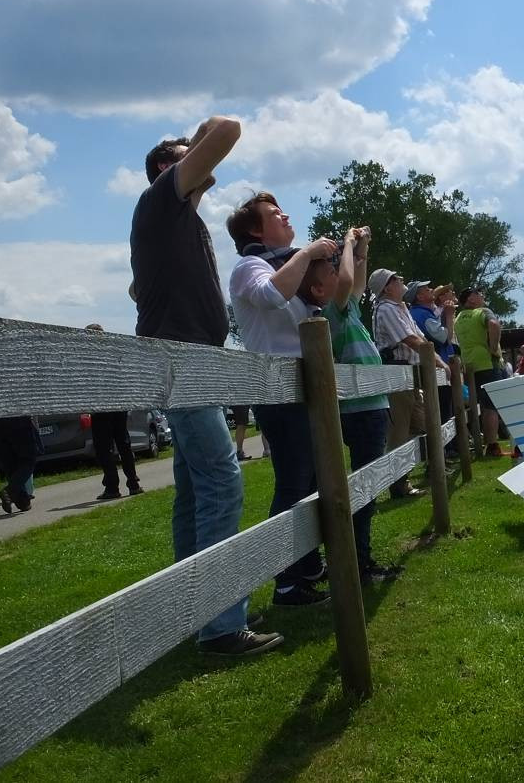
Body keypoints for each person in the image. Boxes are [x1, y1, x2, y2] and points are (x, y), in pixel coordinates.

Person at [131, 116, 282, 656]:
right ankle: (220, 626)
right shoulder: (160, 201)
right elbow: (227, 128)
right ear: (167, 170)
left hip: (189, 359)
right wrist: (195, 146)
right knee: (222, 484)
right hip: (183, 360)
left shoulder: (178, 222)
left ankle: (186, 612)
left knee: (196, 491)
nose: (201, 161)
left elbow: (134, 285)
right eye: (183, 155)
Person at [228, 191, 337, 608]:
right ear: (255, 230)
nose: (286, 216)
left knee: (311, 480)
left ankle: (306, 569)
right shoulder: (249, 266)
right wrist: (308, 253)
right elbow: (272, 296)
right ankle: (287, 584)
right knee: (294, 482)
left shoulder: (285, 263)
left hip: (301, 385)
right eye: (275, 214)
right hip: (276, 388)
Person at [297, 228, 402, 584]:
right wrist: (347, 241)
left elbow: (353, 280)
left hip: (368, 407)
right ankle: (359, 564)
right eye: (328, 271)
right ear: (318, 289)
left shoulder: (346, 310)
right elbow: (346, 282)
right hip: (363, 410)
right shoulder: (331, 309)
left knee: (364, 487)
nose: (337, 272)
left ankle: (359, 560)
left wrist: (362, 248)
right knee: (366, 487)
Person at [369, 267, 439, 494]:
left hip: (409, 372)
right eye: (396, 278)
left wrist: (437, 360)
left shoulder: (400, 308)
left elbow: (420, 338)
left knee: (421, 424)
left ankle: (421, 471)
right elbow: (410, 339)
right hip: (396, 372)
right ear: (387, 287)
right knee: (399, 430)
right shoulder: (387, 309)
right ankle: (399, 484)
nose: (401, 280)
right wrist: (441, 363)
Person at [84, 324, 144, 500]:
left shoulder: (90, 360)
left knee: (104, 448)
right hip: (119, 404)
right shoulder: (115, 354)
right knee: (124, 444)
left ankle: (112, 486)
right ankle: (133, 483)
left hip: (102, 406)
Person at [407, 278, 459, 459]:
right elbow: (445, 337)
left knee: (444, 409)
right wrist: (450, 315)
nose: (431, 290)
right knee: (443, 411)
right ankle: (445, 451)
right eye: (426, 289)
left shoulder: (422, 313)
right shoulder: (422, 315)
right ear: (419, 296)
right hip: (437, 368)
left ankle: (445, 451)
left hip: (437, 367)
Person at [454, 287, 507, 456]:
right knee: (491, 407)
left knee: (479, 406)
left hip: (469, 366)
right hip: (488, 364)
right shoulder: (483, 311)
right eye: (477, 293)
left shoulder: (458, 318)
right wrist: (493, 348)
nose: (481, 295)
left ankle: (479, 443)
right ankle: (492, 445)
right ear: (470, 299)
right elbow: (494, 324)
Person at [0, 416, 39, 514]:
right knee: (28, 460)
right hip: (18, 422)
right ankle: (10, 490)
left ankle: (22, 501)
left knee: (11, 465)